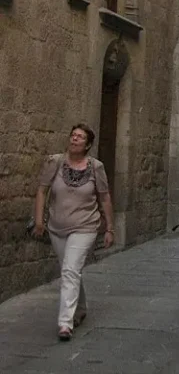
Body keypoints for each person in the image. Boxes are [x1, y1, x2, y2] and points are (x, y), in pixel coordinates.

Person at [33, 123, 114, 341]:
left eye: (80, 137)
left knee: (70, 269)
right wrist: (39, 220)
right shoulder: (55, 162)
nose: (74, 139)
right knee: (70, 269)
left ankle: (65, 323)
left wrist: (110, 228)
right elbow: (42, 190)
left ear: (87, 144)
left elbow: (104, 197)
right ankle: (81, 307)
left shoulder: (96, 167)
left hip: (85, 226)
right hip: (57, 226)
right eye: (73, 135)